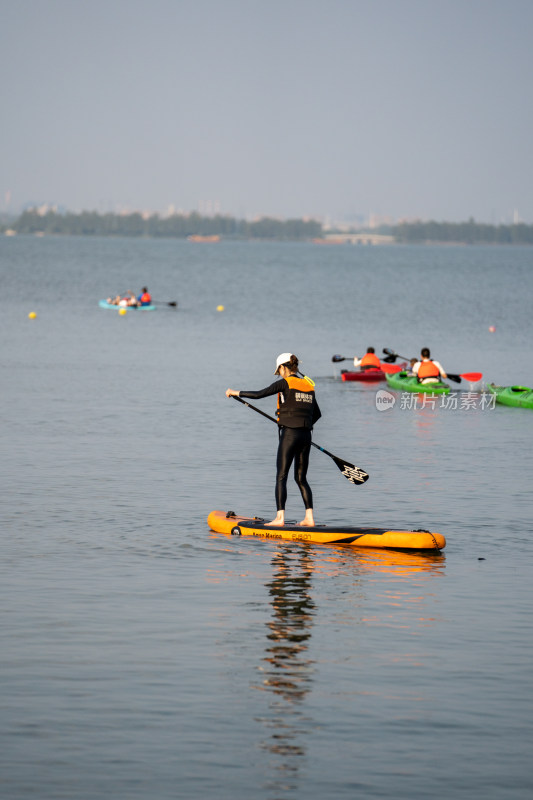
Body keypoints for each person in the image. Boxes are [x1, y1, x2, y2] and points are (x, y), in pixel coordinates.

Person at [225, 353, 321, 527]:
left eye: (279, 371)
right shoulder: (308, 385)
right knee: (301, 479)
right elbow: (318, 414)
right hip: (306, 435)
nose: (280, 374)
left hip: (290, 435)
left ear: (283, 368)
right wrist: (302, 426)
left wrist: (234, 392)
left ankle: (279, 519)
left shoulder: (285, 383)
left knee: (281, 476)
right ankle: (310, 518)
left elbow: (259, 394)